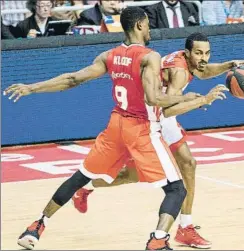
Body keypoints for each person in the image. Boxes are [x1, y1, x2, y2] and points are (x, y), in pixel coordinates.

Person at [3, 7, 198, 251]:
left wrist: (32, 88)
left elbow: (72, 79)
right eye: (147, 25)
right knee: (176, 189)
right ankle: (158, 240)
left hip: (116, 126)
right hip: (141, 128)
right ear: (139, 26)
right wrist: (188, 98)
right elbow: (153, 99)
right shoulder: (150, 57)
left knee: (80, 177)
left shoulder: (110, 55)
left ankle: (36, 226)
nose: (149, 29)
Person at [71, 33, 244, 249]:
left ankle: (185, 227)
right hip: (149, 117)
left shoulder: (187, 60)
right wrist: (202, 101)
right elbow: (168, 110)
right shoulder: (178, 71)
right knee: (133, 174)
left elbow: (204, 70)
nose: (203, 57)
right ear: (188, 53)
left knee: (185, 164)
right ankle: (85, 185)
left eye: (207, 52)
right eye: (199, 53)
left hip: (157, 114)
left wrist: (230, 65)